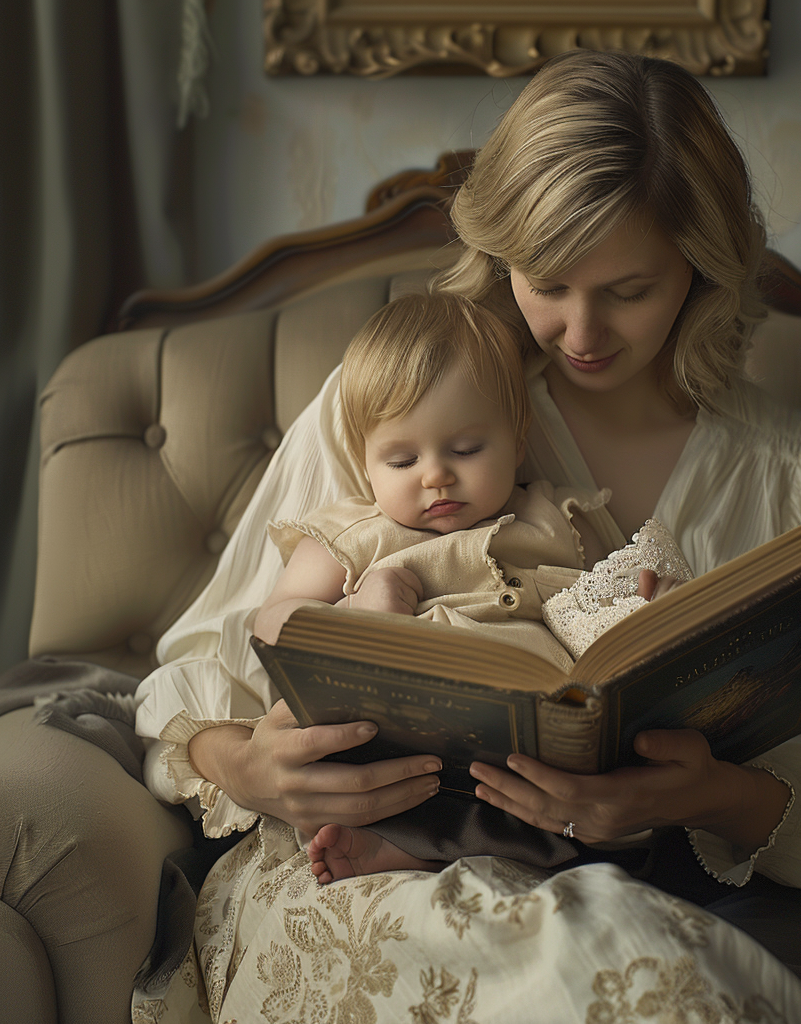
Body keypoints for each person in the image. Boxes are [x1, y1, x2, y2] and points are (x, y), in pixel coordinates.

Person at [0, 48, 801, 1021]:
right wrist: (247, 765)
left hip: (628, 888)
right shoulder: (399, 414)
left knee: (645, 983)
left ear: (702, 266)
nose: (579, 328)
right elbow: (196, 678)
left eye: (629, 288)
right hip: (355, 879)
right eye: (546, 279)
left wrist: (702, 794)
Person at [252, 289, 689, 883]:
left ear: (517, 436)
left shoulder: (558, 517)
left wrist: (643, 606)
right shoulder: (358, 535)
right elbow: (272, 622)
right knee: (379, 777)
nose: (436, 475)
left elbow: (599, 597)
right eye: (402, 461)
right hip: (407, 748)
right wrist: (356, 609)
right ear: (364, 461)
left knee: (593, 810)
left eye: (466, 449)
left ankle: (450, 850)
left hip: (536, 754)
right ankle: (395, 845)